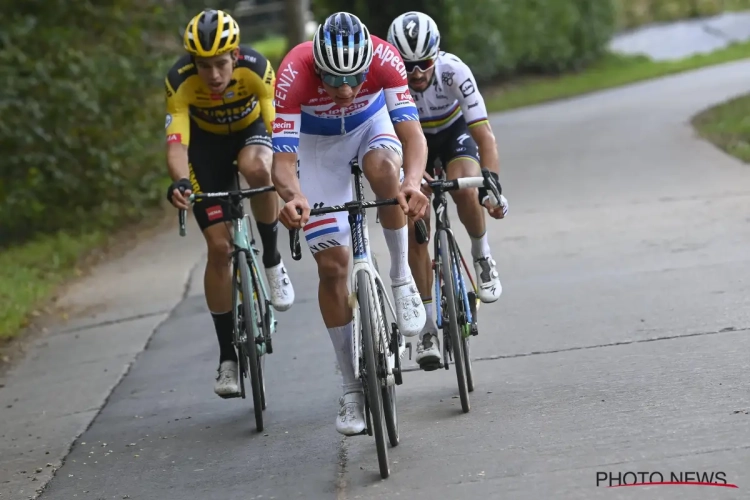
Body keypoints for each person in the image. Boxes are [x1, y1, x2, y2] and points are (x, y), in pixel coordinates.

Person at [271, 12, 430, 436]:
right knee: (332, 268)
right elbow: (283, 163)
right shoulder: (292, 72)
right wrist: (295, 196)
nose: (344, 89)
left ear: (368, 65)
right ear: (316, 67)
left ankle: (400, 277)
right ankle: (350, 387)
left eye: (354, 79)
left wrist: (411, 183)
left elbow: (412, 136)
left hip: (369, 128)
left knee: (385, 172)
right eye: (332, 79)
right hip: (317, 146)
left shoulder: (386, 58)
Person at [164, 9, 296, 398]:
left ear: (235, 56)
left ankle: (271, 258)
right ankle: (227, 357)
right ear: (193, 63)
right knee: (219, 249)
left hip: (250, 134)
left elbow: (276, 126)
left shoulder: (256, 68)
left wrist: (288, 170)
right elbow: (177, 143)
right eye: (204, 67)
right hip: (204, 150)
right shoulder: (179, 82)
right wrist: (180, 181)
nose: (214, 75)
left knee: (257, 166)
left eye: (221, 64)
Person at [387, 11, 509, 370]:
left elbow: (484, 135)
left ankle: (482, 255)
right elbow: (389, 142)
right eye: (407, 65)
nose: (416, 73)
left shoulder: (454, 71)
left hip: (454, 135)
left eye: (424, 62)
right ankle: (426, 326)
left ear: (436, 55)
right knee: (414, 221)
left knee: (466, 190)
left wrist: (491, 182)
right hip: (412, 143)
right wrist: (409, 176)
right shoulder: (389, 82)